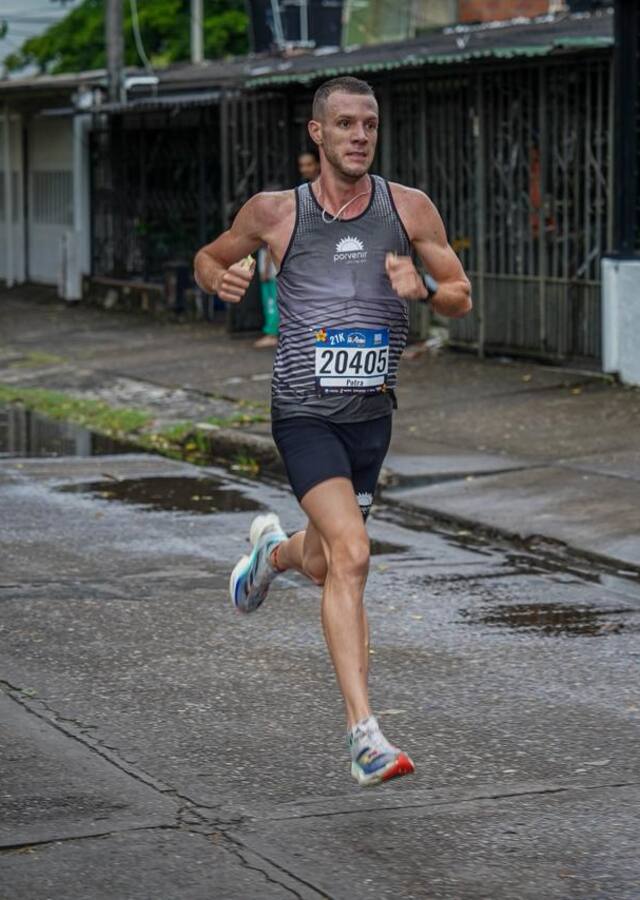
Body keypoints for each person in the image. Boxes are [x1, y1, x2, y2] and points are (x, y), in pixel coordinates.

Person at [193, 75, 472, 787]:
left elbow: (462, 296)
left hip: (370, 422)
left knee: (322, 562)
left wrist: (427, 293)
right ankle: (363, 735)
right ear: (317, 134)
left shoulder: (408, 209)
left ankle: (270, 557)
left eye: (368, 125)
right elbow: (211, 255)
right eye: (344, 124)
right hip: (304, 413)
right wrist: (215, 280)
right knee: (352, 554)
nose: (358, 136)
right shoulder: (276, 212)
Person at [252, 231, 280, 350]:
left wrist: (266, 271)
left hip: (270, 276)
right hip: (271, 275)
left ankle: (272, 335)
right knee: (271, 304)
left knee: (271, 305)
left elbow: (269, 250)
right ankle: (272, 333)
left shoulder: (268, 234)